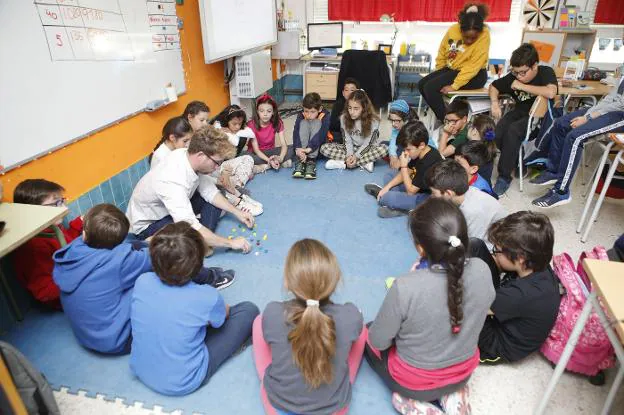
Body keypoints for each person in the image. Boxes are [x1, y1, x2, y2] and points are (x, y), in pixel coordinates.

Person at [366, 198, 495, 414]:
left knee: (369, 334)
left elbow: (378, 341)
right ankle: (454, 397)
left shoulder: (406, 287)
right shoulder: (482, 269)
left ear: (420, 248)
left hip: (413, 382)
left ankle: (412, 403)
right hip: (462, 372)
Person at [130, 222, 259, 395]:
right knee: (248, 311)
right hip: (183, 381)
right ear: (199, 264)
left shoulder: (142, 281)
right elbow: (224, 316)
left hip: (140, 368)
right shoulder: (207, 296)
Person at [252, 239, 366, 415]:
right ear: (334, 282)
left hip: (279, 406)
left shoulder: (274, 312)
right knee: (362, 331)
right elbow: (354, 326)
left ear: (288, 283)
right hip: (334, 409)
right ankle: (344, 380)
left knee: (259, 322)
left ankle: (266, 378)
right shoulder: (349, 316)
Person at [126, 126, 254, 255]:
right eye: (217, 162)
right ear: (201, 156)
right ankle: (199, 241)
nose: (217, 168)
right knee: (183, 233)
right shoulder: (172, 180)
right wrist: (230, 243)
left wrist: (237, 212)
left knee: (216, 196)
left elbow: (209, 192)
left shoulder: (186, 154)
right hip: (149, 225)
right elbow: (188, 224)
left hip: (169, 209)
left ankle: (202, 241)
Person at [52, 204, 151, 354]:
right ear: (120, 240)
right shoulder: (120, 261)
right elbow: (156, 256)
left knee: (134, 252)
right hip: (120, 341)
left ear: (84, 233)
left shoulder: (71, 250)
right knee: (154, 276)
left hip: (87, 337)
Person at [477, 211, 561, 364]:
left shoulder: (520, 294)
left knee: (454, 312)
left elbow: (472, 307)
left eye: (497, 250)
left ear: (520, 258)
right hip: (509, 308)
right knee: (477, 246)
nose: (494, 254)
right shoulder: (537, 261)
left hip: (498, 343)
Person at [530, 78, 624, 208]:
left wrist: (588, 117)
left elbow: (621, 104)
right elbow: (611, 98)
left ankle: (561, 191)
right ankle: (554, 171)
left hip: (621, 115)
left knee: (575, 137)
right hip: (609, 110)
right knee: (561, 124)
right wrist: (590, 113)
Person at [489, 43, 558, 196]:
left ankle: (504, 177)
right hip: (519, 112)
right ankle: (516, 161)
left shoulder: (545, 72)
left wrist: (521, 86)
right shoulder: (515, 75)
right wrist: (494, 103)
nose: (519, 76)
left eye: (523, 72)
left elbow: (551, 92)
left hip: (539, 118)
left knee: (512, 132)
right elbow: (494, 86)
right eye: (515, 72)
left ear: (534, 66)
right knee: (498, 132)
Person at [12, 179, 83, 310]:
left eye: (62, 201)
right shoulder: (34, 246)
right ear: (32, 211)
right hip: (62, 296)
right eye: (56, 204)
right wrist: (80, 276)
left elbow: (64, 245)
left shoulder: (52, 227)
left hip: (71, 278)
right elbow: (44, 292)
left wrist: (78, 223)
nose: (64, 208)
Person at [418, 3, 490, 122]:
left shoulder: (485, 34)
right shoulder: (453, 29)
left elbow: (473, 66)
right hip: (454, 70)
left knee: (430, 88)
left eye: (473, 38)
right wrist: (439, 72)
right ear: (461, 29)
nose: (469, 41)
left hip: (475, 75)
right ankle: (448, 116)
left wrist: (454, 86)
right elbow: (442, 50)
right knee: (422, 84)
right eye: (466, 37)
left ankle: (449, 123)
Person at [364, 121, 442, 218]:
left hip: (427, 198)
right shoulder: (421, 151)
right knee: (390, 175)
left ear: (421, 145)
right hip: (416, 187)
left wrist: (404, 166)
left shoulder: (429, 161)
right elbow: (409, 171)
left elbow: (411, 191)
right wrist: (387, 187)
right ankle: (400, 204)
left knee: (387, 198)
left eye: (408, 149)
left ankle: (398, 204)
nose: (406, 153)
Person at [427, 159, 506, 246]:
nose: (431, 196)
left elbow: (472, 245)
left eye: (433, 193)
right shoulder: (467, 192)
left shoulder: (471, 211)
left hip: (493, 247)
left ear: (448, 193)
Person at [209, 105, 263, 211]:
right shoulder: (218, 129)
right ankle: (237, 185)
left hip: (229, 165)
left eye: (240, 124)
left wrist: (234, 132)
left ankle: (236, 186)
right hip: (216, 168)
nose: (237, 127)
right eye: (234, 124)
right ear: (226, 121)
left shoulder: (241, 132)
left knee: (248, 158)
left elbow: (248, 135)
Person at [320, 89, 388, 173]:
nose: (351, 112)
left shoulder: (374, 120)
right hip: (351, 148)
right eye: (350, 108)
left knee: (384, 149)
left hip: (368, 149)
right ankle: (364, 163)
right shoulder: (343, 118)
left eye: (356, 109)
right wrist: (349, 155)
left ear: (364, 108)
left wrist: (356, 157)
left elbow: (368, 143)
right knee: (324, 148)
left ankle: (343, 164)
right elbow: (347, 141)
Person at [247, 94, 294, 172]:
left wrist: (280, 158)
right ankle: (272, 164)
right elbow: (256, 150)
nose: (265, 114)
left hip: (271, 151)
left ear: (273, 112)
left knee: (294, 148)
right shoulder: (251, 124)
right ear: (257, 112)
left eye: (269, 111)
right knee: (246, 157)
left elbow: (284, 144)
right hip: (257, 153)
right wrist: (269, 160)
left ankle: (266, 166)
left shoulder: (277, 122)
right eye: (262, 111)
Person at [292, 92, 330, 180]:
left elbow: (321, 135)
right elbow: (296, 132)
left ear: (320, 109)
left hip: (318, 147)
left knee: (316, 123)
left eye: (312, 112)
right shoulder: (301, 115)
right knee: (304, 123)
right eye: (306, 111)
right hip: (304, 147)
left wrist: (309, 149)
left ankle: (311, 162)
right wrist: (298, 149)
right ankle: (301, 160)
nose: (309, 115)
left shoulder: (326, 115)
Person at [386, 99, 421, 169]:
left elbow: (413, 150)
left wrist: (399, 162)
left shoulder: (413, 128)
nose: (393, 124)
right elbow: (393, 140)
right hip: (405, 146)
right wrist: (393, 156)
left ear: (406, 119)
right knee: (386, 144)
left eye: (397, 121)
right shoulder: (397, 125)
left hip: (416, 151)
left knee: (401, 151)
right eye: (392, 120)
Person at [466, 113, 497, 185]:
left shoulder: (470, 150)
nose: (469, 127)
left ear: (475, 132)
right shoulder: (488, 147)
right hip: (485, 187)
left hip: (473, 188)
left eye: (471, 125)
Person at [329, 78, 360, 144]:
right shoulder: (338, 105)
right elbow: (333, 125)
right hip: (341, 134)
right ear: (343, 93)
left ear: (357, 91)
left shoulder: (362, 104)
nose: (349, 92)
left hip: (357, 134)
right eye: (346, 90)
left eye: (352, 90)